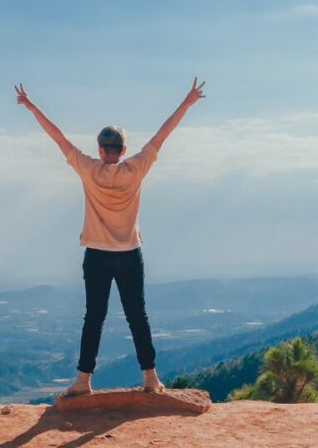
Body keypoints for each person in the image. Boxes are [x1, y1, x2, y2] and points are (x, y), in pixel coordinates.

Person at [15, 78, 206, 395]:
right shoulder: (136, 168)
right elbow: (162, 135)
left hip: (97, 255)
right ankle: (150, 378)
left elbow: (58, 138)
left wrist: (32, 107)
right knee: (137, 316)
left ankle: (83, 380)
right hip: (130, 253)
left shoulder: (88, 169)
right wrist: (187, 102)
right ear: (124, 150)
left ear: (100, 150)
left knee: (94, 317)